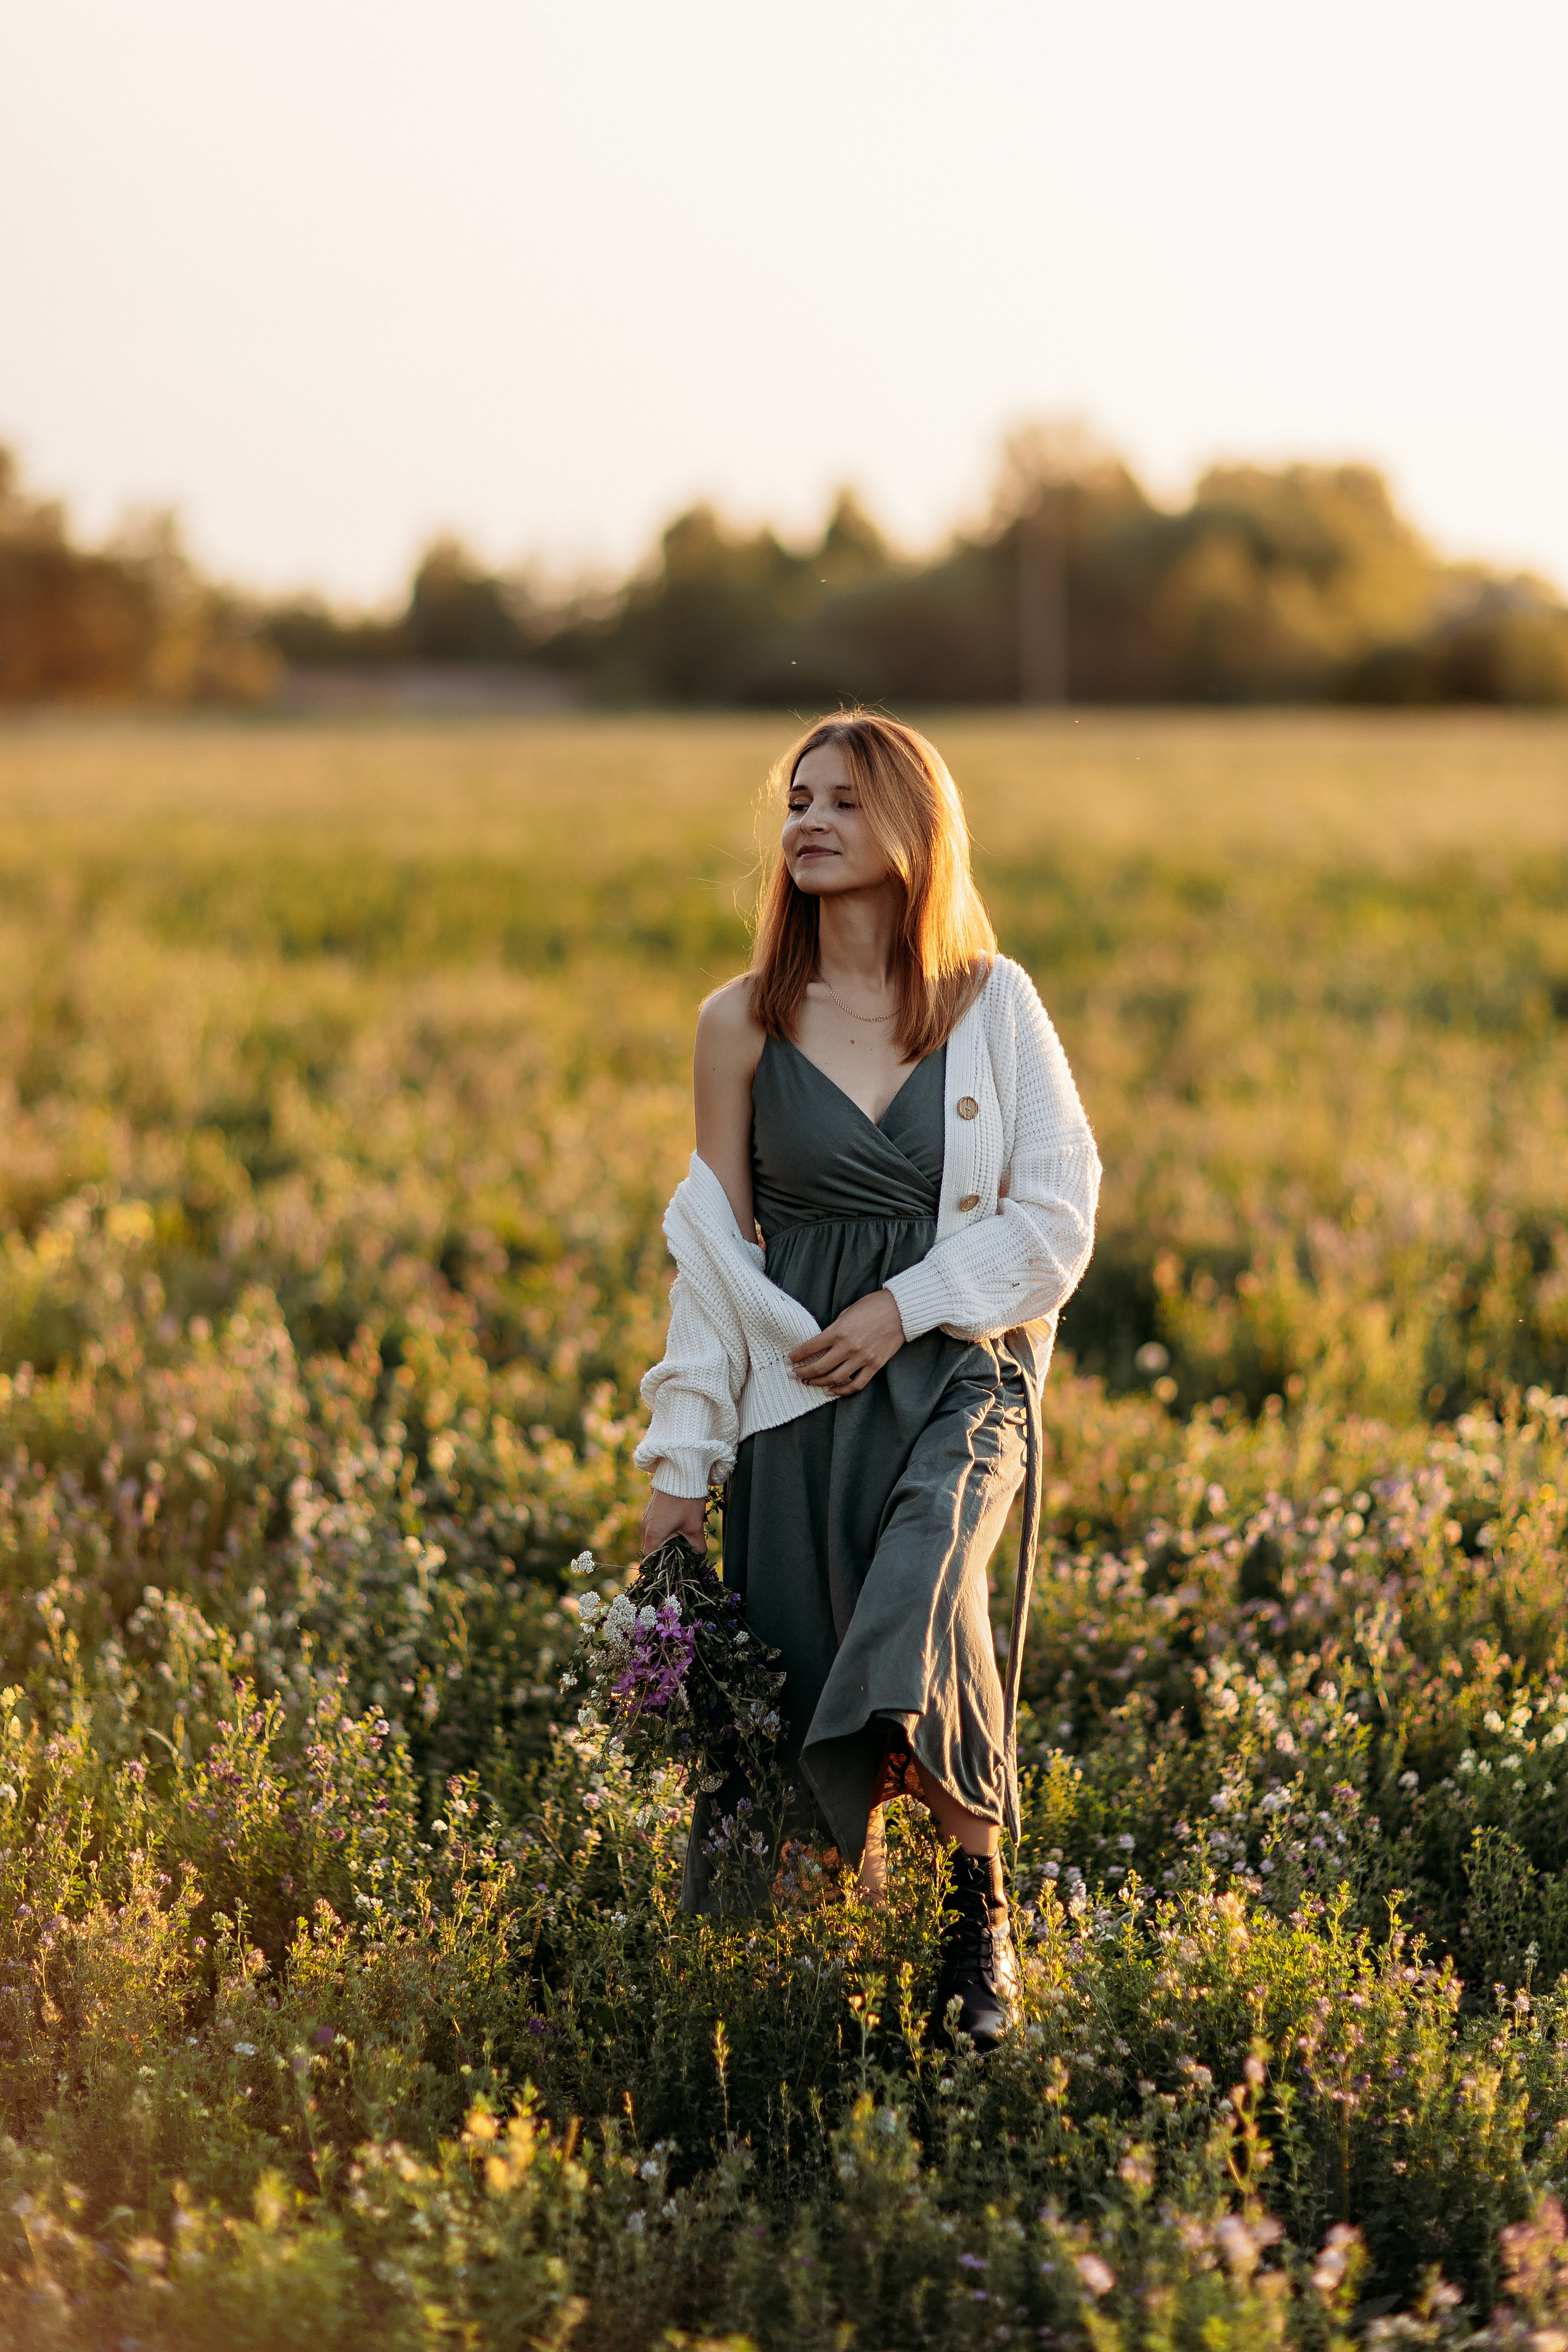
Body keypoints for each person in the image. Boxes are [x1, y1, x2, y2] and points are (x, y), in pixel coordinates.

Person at [634, 711, 1100, 2048]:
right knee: (791, 1675)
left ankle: (978, 1920)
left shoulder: (988, 1002)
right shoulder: (737, 1024)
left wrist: (907, 1306)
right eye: (795, 799)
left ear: (913, 827)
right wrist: (679, 1465)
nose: (808, 821)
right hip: (796, 1406)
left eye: (842, 798)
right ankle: (812, 1971)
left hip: (960, 1381)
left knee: (918, 1604)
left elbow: (1058, 1216)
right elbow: (711, 1263)